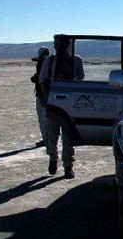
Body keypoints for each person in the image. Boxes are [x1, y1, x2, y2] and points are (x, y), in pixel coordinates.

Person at [39, 35, 84, 179]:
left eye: (59, 44)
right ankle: (53, 159)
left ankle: (67, 166)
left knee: (67, 136)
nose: (57, 47)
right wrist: (48, 98)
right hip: (53, 103)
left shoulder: (76, 60)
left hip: (69, 103)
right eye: (56, 44)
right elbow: (42, 81)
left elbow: (80, 79)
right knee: (51, 135)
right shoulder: (50, 60)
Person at [30, 46, 50, 148]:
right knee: (47, 118)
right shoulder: (50, 62)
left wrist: (34, 78)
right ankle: (48, 138)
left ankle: (46, 140)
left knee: (43, 118)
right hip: (49, 94)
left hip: (42, 94)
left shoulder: (43, 63)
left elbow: (40, 77)